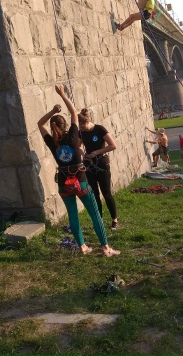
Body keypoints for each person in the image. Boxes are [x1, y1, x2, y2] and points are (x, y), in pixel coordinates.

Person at [37, 85, 120, 257]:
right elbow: (74, 112)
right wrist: (62, 95)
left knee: (73, 215)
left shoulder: (52, 142)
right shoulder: (73, 136)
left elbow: (39, 124)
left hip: (63, 183)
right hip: (80, 180)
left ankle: (82, 247)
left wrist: (52, 112)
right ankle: (106, 248)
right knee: (95, 214)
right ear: (65, 125)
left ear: (52, 126)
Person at [78, 109, 119, 231]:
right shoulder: (81, 132)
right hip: (89, 166)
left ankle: (114, 220)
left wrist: (96, 152)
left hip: (102, 164)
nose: (82, 130)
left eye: (83, 127)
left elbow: (113, 145)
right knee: (94, 194)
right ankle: (99, 220)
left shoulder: (99, 129)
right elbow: (78, 146)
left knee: (106, 193)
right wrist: (84, 155)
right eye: (80, 128)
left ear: (87, 121)